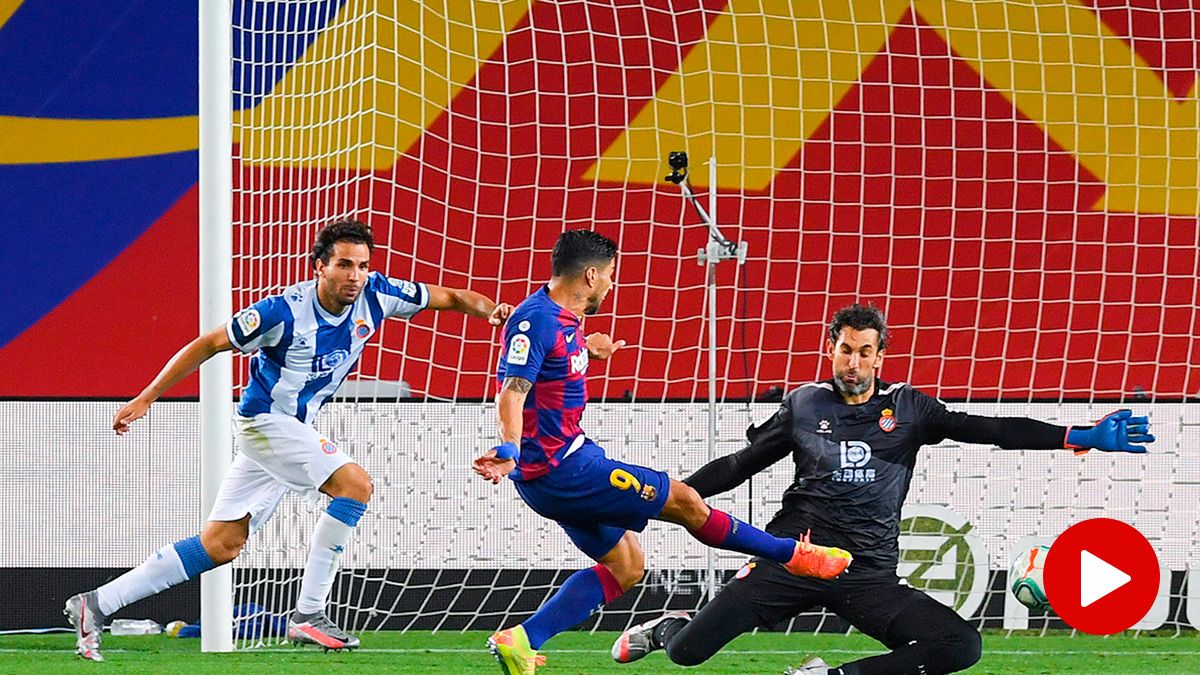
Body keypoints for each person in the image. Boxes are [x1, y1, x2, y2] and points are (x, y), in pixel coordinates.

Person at [611, 303, 1155, 675]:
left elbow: (990, 430)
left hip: (865, 575)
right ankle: (671, 629)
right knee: (687, 655)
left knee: (960, 645)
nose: (855, 362)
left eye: (865, 352)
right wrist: (665, 496)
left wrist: (1079, 436)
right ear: (831, 349)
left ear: (880, 355)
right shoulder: (804, 406)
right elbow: (738, 465)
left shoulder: (911, 409)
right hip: (790, 561)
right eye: (846, 350)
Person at [64, 219, 512, 661]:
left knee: (222, 545)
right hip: (264, 423)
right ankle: (310, 614)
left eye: (361, 265)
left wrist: (490, 309)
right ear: (319, 266)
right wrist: (147, 398)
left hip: (289, 431)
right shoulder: (281, 311)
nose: (354, 275)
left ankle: (96, 604)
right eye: (343, 264)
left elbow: (451, 297)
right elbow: (207, 343)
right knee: (355, 485)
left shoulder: (379, 294)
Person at [471, 230, 853, 675]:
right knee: (685, 501)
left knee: (627, 566)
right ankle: (794, 556)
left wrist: (589, 353)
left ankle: (523, 640)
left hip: (557, 472)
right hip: (565, 471)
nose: (612, 285)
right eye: (611, 276)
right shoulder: (534, 320)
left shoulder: (564, 319)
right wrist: (509, 448)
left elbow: (550, 369)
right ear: (591, 275)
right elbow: (512, 393)